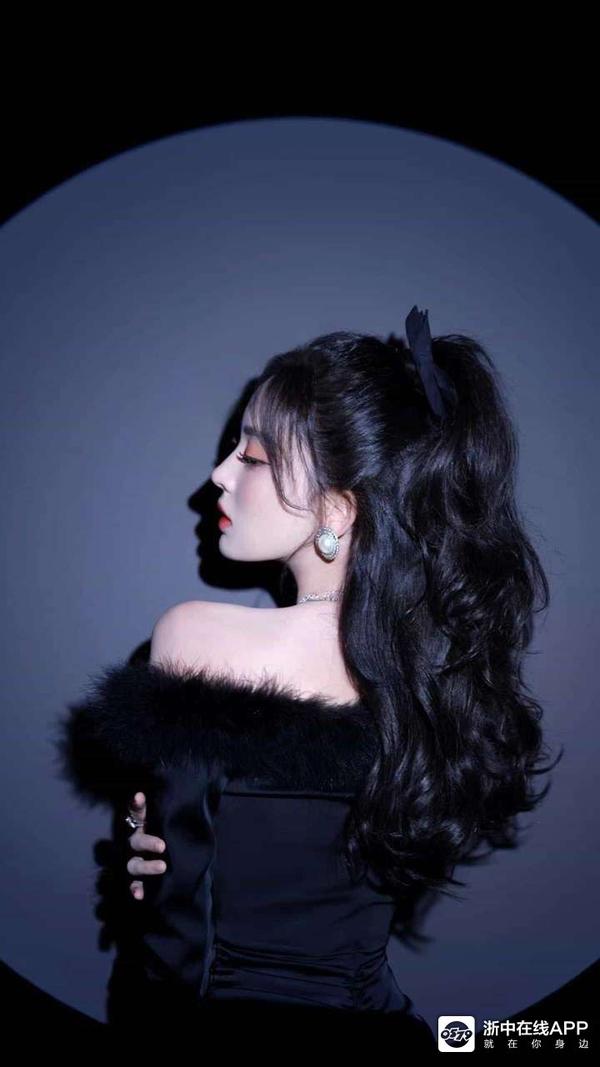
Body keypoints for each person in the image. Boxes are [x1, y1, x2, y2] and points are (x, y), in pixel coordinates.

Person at [57, 305, 562, 1049]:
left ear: (336, 508)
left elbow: (175, 945)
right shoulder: (432, 676)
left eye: (254, 456)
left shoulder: (196, 635)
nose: (219, 475)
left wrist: (151, 873)